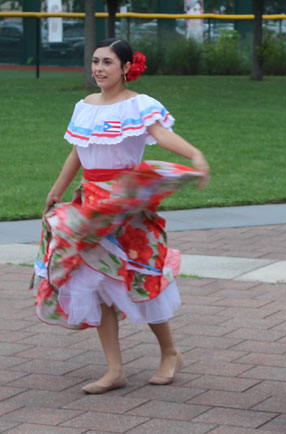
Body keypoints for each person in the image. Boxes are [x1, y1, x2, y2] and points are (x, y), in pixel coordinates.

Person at [31, 38, 209, 394]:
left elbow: (163, 135)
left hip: (127, 207)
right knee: (94, 285)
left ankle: (170, 352)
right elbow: (78, 153)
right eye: (95, 61)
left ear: (126, 68)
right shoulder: (84, 106)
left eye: (107, 62)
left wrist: (195, 154)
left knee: (139, 281)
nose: (99, 68)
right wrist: (57, 189)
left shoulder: (140, 106)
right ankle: (115, 370)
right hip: (90, 207)